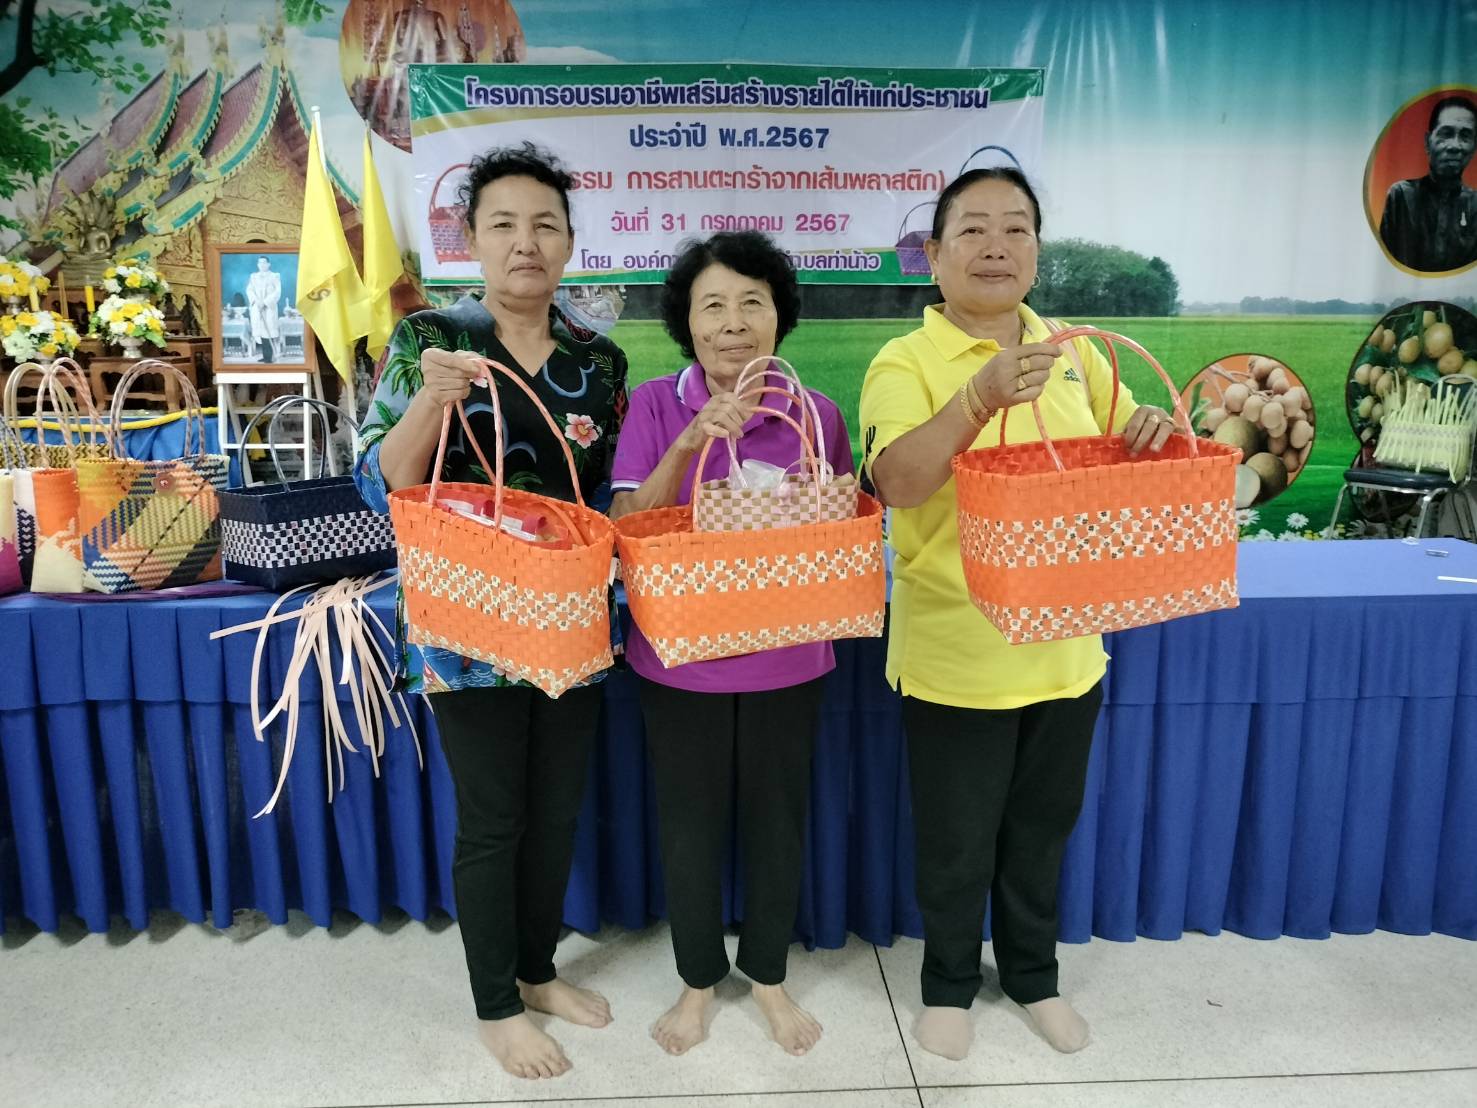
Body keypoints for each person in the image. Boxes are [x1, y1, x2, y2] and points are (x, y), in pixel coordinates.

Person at [858, 168, 1177, 1063]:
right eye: (972, 230)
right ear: (933, 255)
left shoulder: (1076, 353)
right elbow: (895, 483)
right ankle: (947, 985)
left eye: (1015, 229)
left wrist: (1149, 430)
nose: (995, 246)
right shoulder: (903, 361)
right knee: (956, 842)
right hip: (956, 652)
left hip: (1067, 651)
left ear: (1037, 249)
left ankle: (1034, 977)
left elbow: (1121, 458)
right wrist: (977, 397)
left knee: (1040, 832)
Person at [354, 143, 629, 1081]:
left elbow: (607, 496)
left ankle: (536, 971)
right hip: (464, 620)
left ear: (569, 243)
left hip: (570, 616)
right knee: (494, 815)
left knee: (555, 810)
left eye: (545, 224)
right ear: (469, 240)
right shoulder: (429, 340)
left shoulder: (599, 361)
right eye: (503, 224)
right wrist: (432, 402)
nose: (525, 242)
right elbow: (384, 483)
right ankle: (495, 1005)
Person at [609, 231, 854, 1057]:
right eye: (711, 305)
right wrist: (691, 441)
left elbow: (837, 530)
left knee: (778, 822)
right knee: (689, 826)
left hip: (792, 653)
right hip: (680, 658)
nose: (732, 322)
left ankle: (770, 978)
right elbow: (626, 523)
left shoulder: (816, 414)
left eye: (752, 302)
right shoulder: (655, 404)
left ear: (780, 317)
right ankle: (696, 981)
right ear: (687, 322)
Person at [1379, 95, 1477, 273]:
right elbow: (1384, 266)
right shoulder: (1401, 196)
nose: (1455, 146)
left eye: (1465, 136)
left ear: (1474, 147)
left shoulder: (1475, 205)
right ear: (1427, 142)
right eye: (1446, 133)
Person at [246, 256, 282, 363]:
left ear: (268, 264)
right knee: (261, 332)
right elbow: (249, 290)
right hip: (257, 307)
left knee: (268, 331)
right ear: (258, 265)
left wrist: (265, 302)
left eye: (264, 263)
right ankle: (265, 356)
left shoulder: (274, 276)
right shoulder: (253, 276)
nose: (262, 265)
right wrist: (256, 301)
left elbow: (277, 291)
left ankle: (269, 357)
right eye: (260, 263)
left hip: (269, 308)